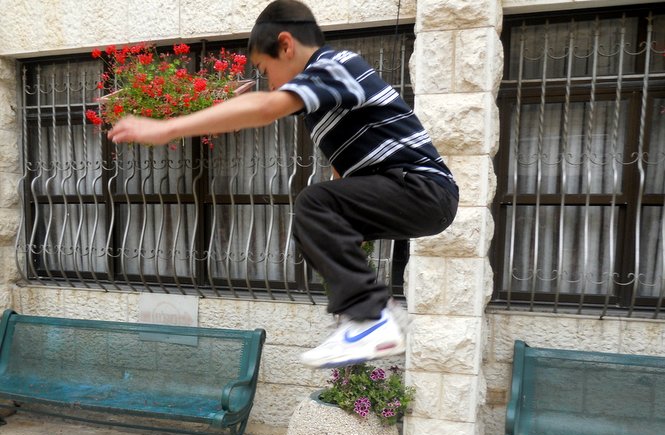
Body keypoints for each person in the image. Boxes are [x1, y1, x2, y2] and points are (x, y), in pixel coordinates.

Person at [108, 0, 458, 369]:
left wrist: (166, 128)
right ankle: (376, 315)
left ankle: (372, 317)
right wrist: (340, 233)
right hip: (413, 193)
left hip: (422, 187)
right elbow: (347, 171)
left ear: (286, 45)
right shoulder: (326, 102)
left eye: (265, 69)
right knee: (313, 224)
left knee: (313, 202)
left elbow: (264, 108)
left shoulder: (335, 66)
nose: (271, 82)